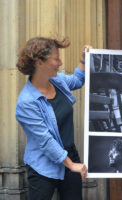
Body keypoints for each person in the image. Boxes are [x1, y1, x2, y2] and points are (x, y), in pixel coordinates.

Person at [15, 37, 92, 200]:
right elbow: (45, 141)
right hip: (43, 164)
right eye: (56, 59)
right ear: (39, 62)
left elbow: (77, 80)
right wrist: (71, 165)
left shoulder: (57, 81)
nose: (60, 63)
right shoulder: (26, 102)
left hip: (70, 154)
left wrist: (84, 59)